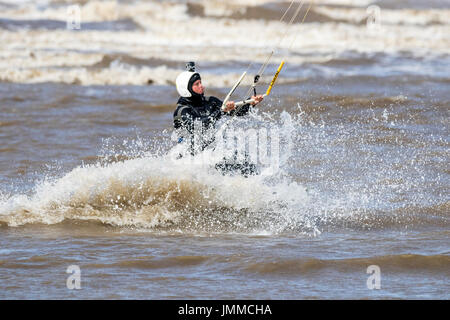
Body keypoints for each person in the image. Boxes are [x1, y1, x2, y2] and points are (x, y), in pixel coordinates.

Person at [173, 62, 263, 155]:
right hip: (189, 158)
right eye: (197, 84)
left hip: (210, 153)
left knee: (242, 158)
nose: (201, 86)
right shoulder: (182, 111)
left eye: (201, 82)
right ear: (186, 89)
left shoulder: (211, 101)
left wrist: (250, 102)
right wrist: (221, 111)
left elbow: (236, 112)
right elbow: (198, 126)